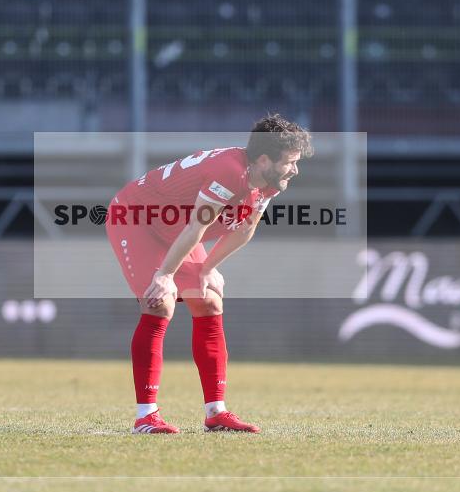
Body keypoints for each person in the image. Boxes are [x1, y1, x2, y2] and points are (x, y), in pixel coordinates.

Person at [105, 114, 314, 433]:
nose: (295, 169)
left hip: (175, 230)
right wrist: (164, 275)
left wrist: (207, 269)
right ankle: (145, 417)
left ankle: (216, 412)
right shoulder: (229, 174)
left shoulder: (268, 182)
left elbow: (245, 229)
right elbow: (196, 227)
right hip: (137, 219)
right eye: (290, 161)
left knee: (210, 302)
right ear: (263, 159)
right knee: (160, 303)